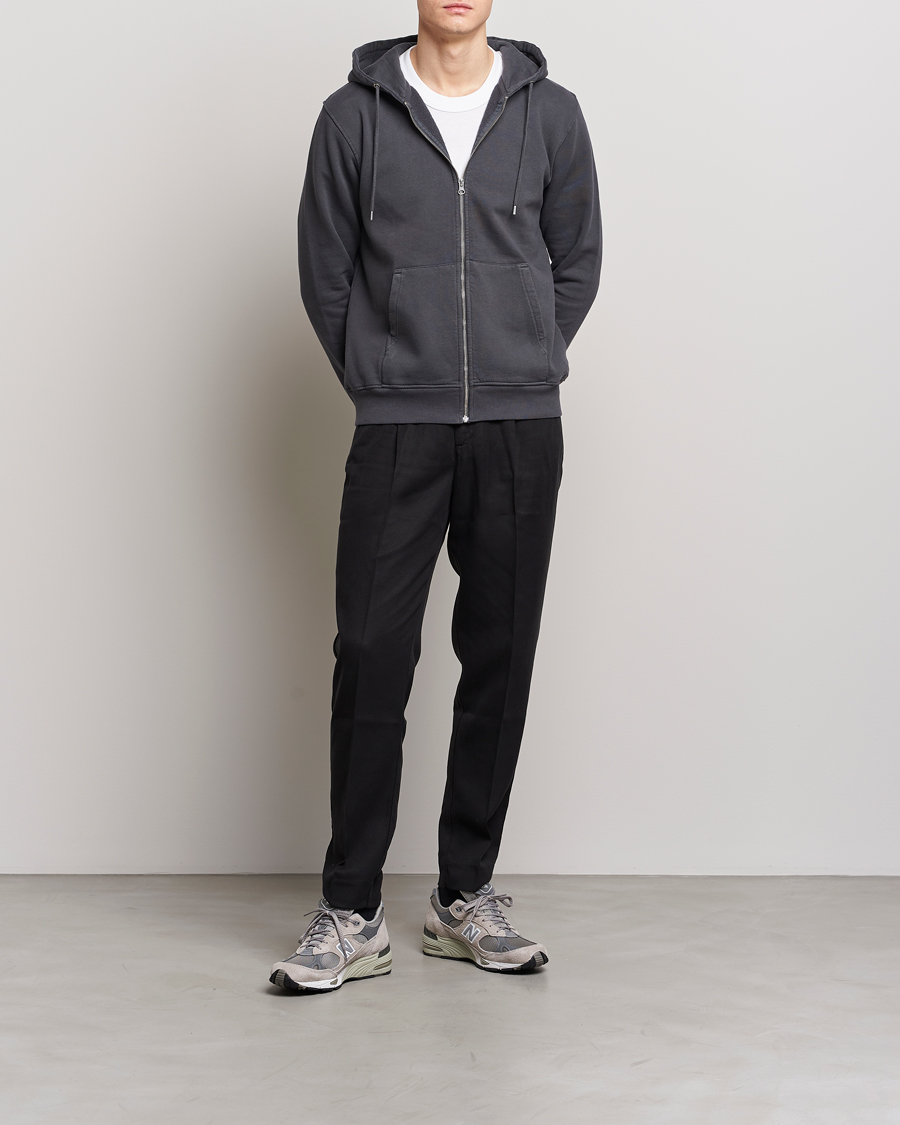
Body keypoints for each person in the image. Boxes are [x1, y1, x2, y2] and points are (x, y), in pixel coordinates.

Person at [270, 0, 601, 993]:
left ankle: (465, 896)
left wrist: (522, 356)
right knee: (372, 652)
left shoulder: (551, 112)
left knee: (501, 653)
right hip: (397, 424)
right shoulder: (352, 115)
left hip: (519, 425)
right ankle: (353, 909)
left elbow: (577, 258)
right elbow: (325, 271)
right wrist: (382, 374)